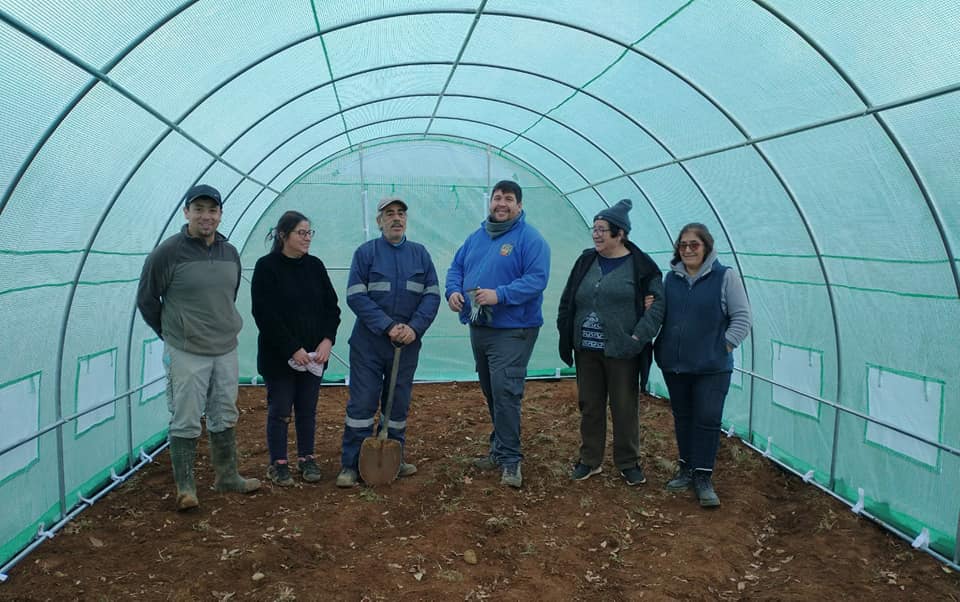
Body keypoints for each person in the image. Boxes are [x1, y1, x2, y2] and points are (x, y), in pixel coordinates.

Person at [137, 184, 260, 511]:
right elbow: (147, 300)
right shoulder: (168, 253)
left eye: (212, 210)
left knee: (224, 411)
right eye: (199, 209)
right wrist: (171, 334)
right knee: (187, 416)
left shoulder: (229, 252)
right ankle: (186, 488)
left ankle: (227, 476)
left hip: (224, 347)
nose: (206, 216)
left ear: (220, 214)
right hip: (186, 350)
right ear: (186, 212)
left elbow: (227, 296)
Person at [445, 180, 550, 488]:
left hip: (514, 328)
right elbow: (456, 268)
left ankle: (511, 461)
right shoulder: (477, 237)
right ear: (490, 202)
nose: (501, 203)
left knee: (505, 391)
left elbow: (537, 279)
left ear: (519, 205)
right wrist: (453, 292)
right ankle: (500, 447)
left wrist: (500, 295)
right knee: (492, 389)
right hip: (481, 327)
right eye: (497, 198)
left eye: (508, 199)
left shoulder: (530, 239)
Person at [557, 199, 664, 485]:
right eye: (594, 228)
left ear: (620, 233)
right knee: (590, 405)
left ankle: (628, 462)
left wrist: (637, 338)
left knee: (624, 407)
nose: (596, 234)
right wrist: (566, 332)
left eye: (602, 229)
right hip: (587, 350)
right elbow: (568, 298)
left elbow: (657, 306)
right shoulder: (586, 261)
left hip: (622, 350)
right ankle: (590, 460)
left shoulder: (641, 266)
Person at [336, 197, 441, 487]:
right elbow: (356, 295)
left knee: (398, 405)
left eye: (401, 213)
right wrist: (388, 326)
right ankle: (352, 464)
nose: (396, 218)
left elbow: (432, 296)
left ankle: (393, 457)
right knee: (363, 404)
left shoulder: (420, 255)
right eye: (389, 214)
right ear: (380, 220)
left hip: (406, 345)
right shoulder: (366, 253)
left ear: (406, 220)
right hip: (369, 344)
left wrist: (414, 328)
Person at [654, 223, 752, 508]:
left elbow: (742, 318)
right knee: (683, 417)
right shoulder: (671, 279)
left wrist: (723, 346)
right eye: (682, 245)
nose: (687, 250)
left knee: (707, 418)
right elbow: (661, 314)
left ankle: (703, 476)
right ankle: (686, 468)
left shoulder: (725, 277)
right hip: (676, 365)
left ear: (707, 247)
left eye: (694, 245)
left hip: (712, 367)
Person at [251, 211, 341, 486]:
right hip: (280, 357)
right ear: (283, 236)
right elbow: (264, 315)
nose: (307, 238)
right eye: (301, 233)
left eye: (309, 233)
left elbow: (332, 308)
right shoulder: (266, 267)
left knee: (307, 409)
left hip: (314, 357)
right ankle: (278, 463)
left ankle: (306, 458)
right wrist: (292, 349)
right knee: (279, 409)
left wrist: (327, 341)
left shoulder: (315, 266)